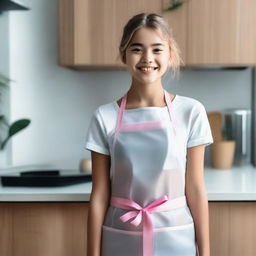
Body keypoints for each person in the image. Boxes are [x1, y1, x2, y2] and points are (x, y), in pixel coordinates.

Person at [85, 13, 213, 256]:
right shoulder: (104, 116)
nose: (147, 58)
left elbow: (195, 188)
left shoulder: (191, 111)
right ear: (124, 54)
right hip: (121, 233)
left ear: (170, 54)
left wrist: (205, 252)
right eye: (137, 49)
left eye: (157, 49)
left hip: (176, 233)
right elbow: (100, 194)